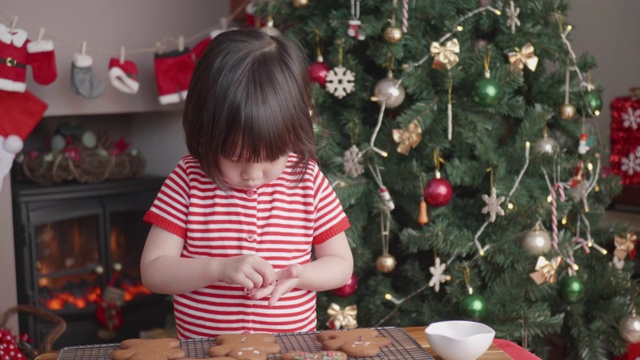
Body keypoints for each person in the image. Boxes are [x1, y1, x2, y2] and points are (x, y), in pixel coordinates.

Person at [140, 28, 354, 339]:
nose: (253, 174)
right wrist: (218, 269)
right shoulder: (188, 180)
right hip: (205, 351)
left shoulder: (307, 179)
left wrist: (302, 274)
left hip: (289, 349)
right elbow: (154, 270)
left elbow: (341, 264)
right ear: (206, 133)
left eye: (271, 158)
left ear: (292, 134)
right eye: (235, 158)